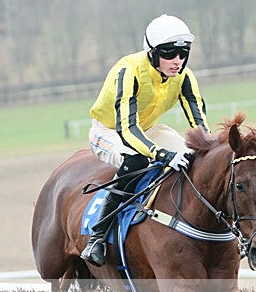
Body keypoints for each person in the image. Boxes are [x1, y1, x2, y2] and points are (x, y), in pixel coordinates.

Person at [82, 14, 210, 266]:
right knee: (137, 160)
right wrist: (163, 155)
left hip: (149, 129)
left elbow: (200, 128)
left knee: (198, 157)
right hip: (109, 132)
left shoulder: (184, 76)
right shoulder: (127, 71)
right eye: (169, 53)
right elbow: (128, 130)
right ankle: (97, 237)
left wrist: (211, 148)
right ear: (151, 53)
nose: (178, 60)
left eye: (184, 53)